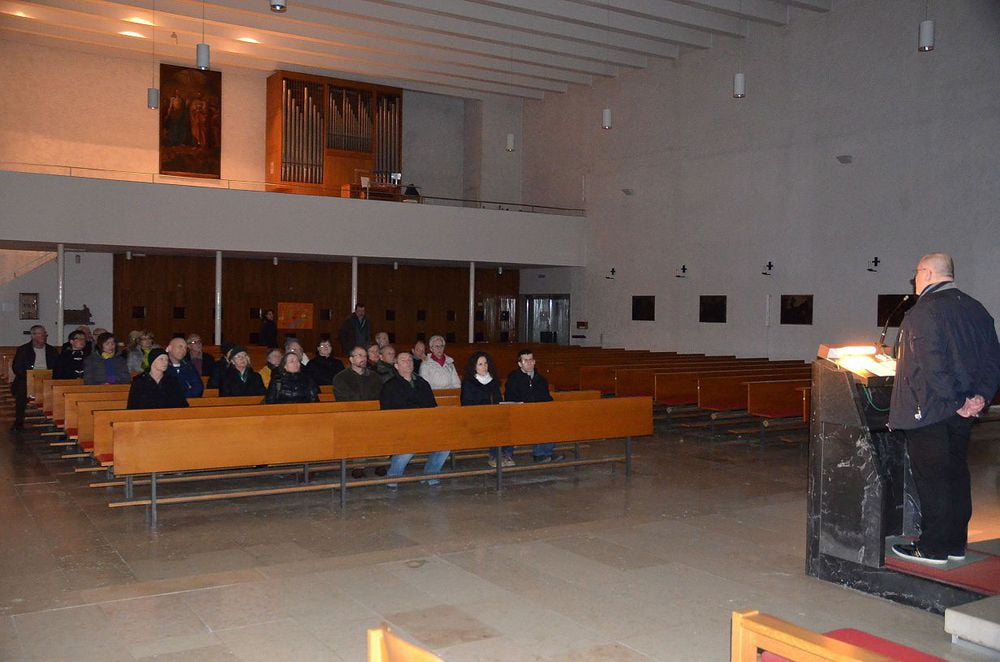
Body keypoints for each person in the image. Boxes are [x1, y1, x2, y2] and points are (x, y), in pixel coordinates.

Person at [888, 252, 1000, 565]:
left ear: (926, 272)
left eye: (916, 273)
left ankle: (933, 548)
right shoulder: (976, 309)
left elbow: (932, 365)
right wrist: (980, 397)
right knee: (956, 476)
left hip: (929, 410)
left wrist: (956, 401)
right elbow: (994, 359)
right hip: (962, 411)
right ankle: (955, 544)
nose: (914, 279)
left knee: (934, 480)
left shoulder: (924, 311)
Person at [382, 352, 450, 487]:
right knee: (408, 449)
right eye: (403, 360)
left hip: (424, 426)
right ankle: (393, 477)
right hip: (402, 429)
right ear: (396, 366)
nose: (408, 362)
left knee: (445, 446)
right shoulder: (389, 386)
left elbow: (432, 408)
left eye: (410, 360)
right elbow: (386, 414)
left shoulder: (422, 383)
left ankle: (430, 475)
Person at [332, 345, 385, 478]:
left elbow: (379, 394)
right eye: (359, 355)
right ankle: (358, 465)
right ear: (351, 359)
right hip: (352, 413)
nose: (363, 358)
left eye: (365, 356)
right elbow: (343, 397)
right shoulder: (341, 377)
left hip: (372, 413)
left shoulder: (374, 376)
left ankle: (380, 462)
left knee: (380, 426)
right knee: (358, 429)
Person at [505, 349, 563, 463]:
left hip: (538, 413)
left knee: (549, 418)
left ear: (534, 361)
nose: (529, 363)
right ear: (520, 364)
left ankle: (545, 452)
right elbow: (510, 398)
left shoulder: (540, 379)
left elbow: (546, 398)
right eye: (525, 360)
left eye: (531, 360)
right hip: (520, 413)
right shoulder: (513, 379)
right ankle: (539, 453)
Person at [460, 351, 510, 467]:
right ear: (474, 367)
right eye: (480, 364)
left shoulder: (493, 381)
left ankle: (506, 454)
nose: (484, 367)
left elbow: (498, 401)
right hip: (476, 417)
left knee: (507, 422)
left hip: (493, 416)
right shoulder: (469, 383)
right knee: (495, 426)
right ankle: (495, 456)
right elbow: (467, 404)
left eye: (486, 363)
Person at [10, 325, 59, 432]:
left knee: (58, 392)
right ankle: (18, 422)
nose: (43, 336)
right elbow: (17, 367)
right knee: (21, 391)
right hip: (27, 379)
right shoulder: (23, 349)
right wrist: (29, 377)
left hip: (47, 379)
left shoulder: (51, 350)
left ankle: (53, 421)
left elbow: (57, 367)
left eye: (44, 333)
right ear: (33, 335)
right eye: (40, 334)